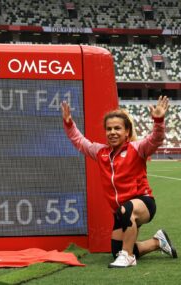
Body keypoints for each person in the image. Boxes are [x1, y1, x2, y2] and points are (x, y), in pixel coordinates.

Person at [60, 96, 177, 268]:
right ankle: (157, 242)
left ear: (127, 132)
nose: (112, 132)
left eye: (117, 128)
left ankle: (128, 257)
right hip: (121, 212)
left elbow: (156, 139)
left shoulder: (137, 149)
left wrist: (158, 121)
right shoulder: (101, 152)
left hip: (143, 204)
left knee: (126, 217)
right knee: (117, 251)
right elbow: (80, 142)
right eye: (109, 129)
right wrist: (69, 124)